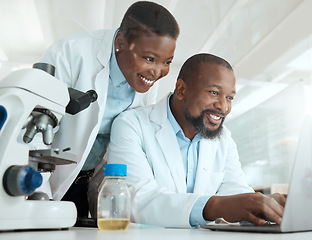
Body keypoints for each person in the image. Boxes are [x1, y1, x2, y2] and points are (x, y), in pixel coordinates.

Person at [107, 53, 286, 228]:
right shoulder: (131, 124)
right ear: (181, 90)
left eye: (229, 97)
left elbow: (235, 190)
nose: (223, 106)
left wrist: (263, 206)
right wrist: (214, 206)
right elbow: (138, 200)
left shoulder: (223, 138)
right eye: (214, 92)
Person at [39, 1, 180, 217]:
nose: (157, 71)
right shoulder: (71, 53)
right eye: (149, 59)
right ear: (121, 42)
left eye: (167, 61)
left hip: (88, 184)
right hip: (46, 178)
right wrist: (39, 194)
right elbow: (36, 133)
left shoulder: (146, 79)